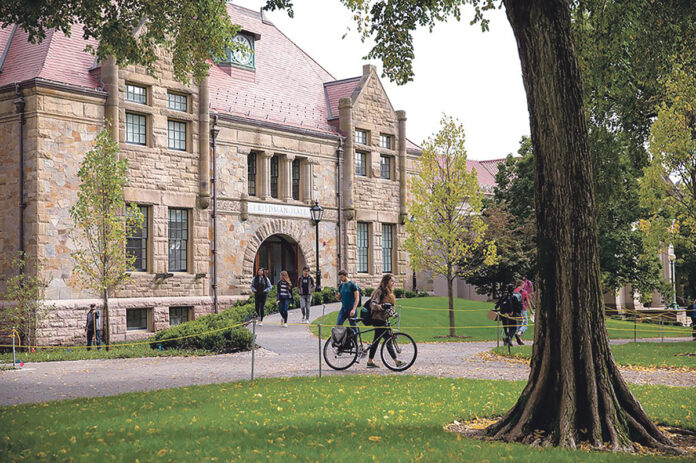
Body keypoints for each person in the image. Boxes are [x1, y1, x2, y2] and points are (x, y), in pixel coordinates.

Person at [366, 274, 404, 368]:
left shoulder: (390, 294)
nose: (393, 283)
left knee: (376, 340)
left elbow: (391, 306)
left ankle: (370, 361)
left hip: (384, 319)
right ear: (386, 282)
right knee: (388, 339)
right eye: (392, 281)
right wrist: (380, 307)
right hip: (378, 319)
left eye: (394, 281)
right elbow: (373, 304)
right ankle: (396, 361)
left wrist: (392, 312)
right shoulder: (379, 292)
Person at [514, 279, 533, 345]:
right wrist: (531, 311)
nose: (524, 286)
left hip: (515, 310)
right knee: (525, 323)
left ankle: (519, 340)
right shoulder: (524, 292)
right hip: (523, 309)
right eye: (523, 285)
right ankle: (518, 334)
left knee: (518, 324)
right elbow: (528, 302)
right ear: (521, 285)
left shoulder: (514, 291)